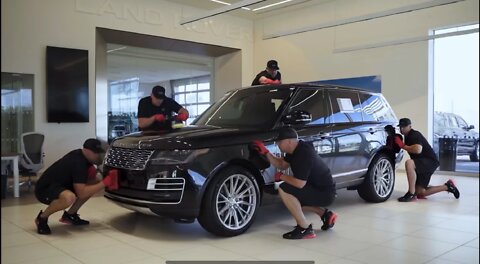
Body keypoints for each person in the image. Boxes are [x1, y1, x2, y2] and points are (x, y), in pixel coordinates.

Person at [252, 127, 337, 239]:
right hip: (317, 189)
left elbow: (299, 183)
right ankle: (325, 215)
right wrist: (266, 152)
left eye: (279, 142)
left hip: (324, 193)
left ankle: (304, 229)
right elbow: (282, 165)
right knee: (292, 200)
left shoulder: (303, 154)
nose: (278, 145)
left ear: (289, 141)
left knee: (285, 190)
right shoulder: (296, 149)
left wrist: (282, 176)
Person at [34, 138, 119, 235]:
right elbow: (82, 194)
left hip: (61, 186)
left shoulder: (83, 157)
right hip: (44, 189)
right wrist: (105, 182)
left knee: (93, 184)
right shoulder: (78, 163)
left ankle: (70, 215)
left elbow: (91, 181)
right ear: (87, 151)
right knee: (69, 197)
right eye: (96, 153)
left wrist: (101, 180)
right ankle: (42, 218)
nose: (98, 156)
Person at [396, 118, 460, 202]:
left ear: (410, 126)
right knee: (421, 192)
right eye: (400, 127)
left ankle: (411, 193)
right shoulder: (407, 137)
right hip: (421, 163)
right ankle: (448, 186)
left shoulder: (414, 134)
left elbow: (418, 149)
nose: (402, 129)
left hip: (430, 161)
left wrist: (403, 146)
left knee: (409, 163)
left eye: (404, 127)